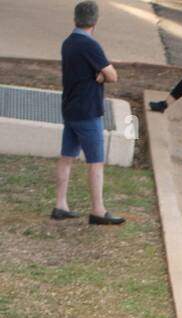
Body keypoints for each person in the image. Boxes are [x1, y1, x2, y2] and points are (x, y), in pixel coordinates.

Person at [53, 2, 124, 226]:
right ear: (95, 21)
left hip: (71, 107)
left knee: (67, 157)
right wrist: (102, 76)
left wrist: (99, 74)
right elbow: (112, 75)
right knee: (95, 161)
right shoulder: (90, 45)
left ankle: (60, 204)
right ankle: (97, 210)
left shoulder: (68, 43)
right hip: (88, 110)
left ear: (75, 18)